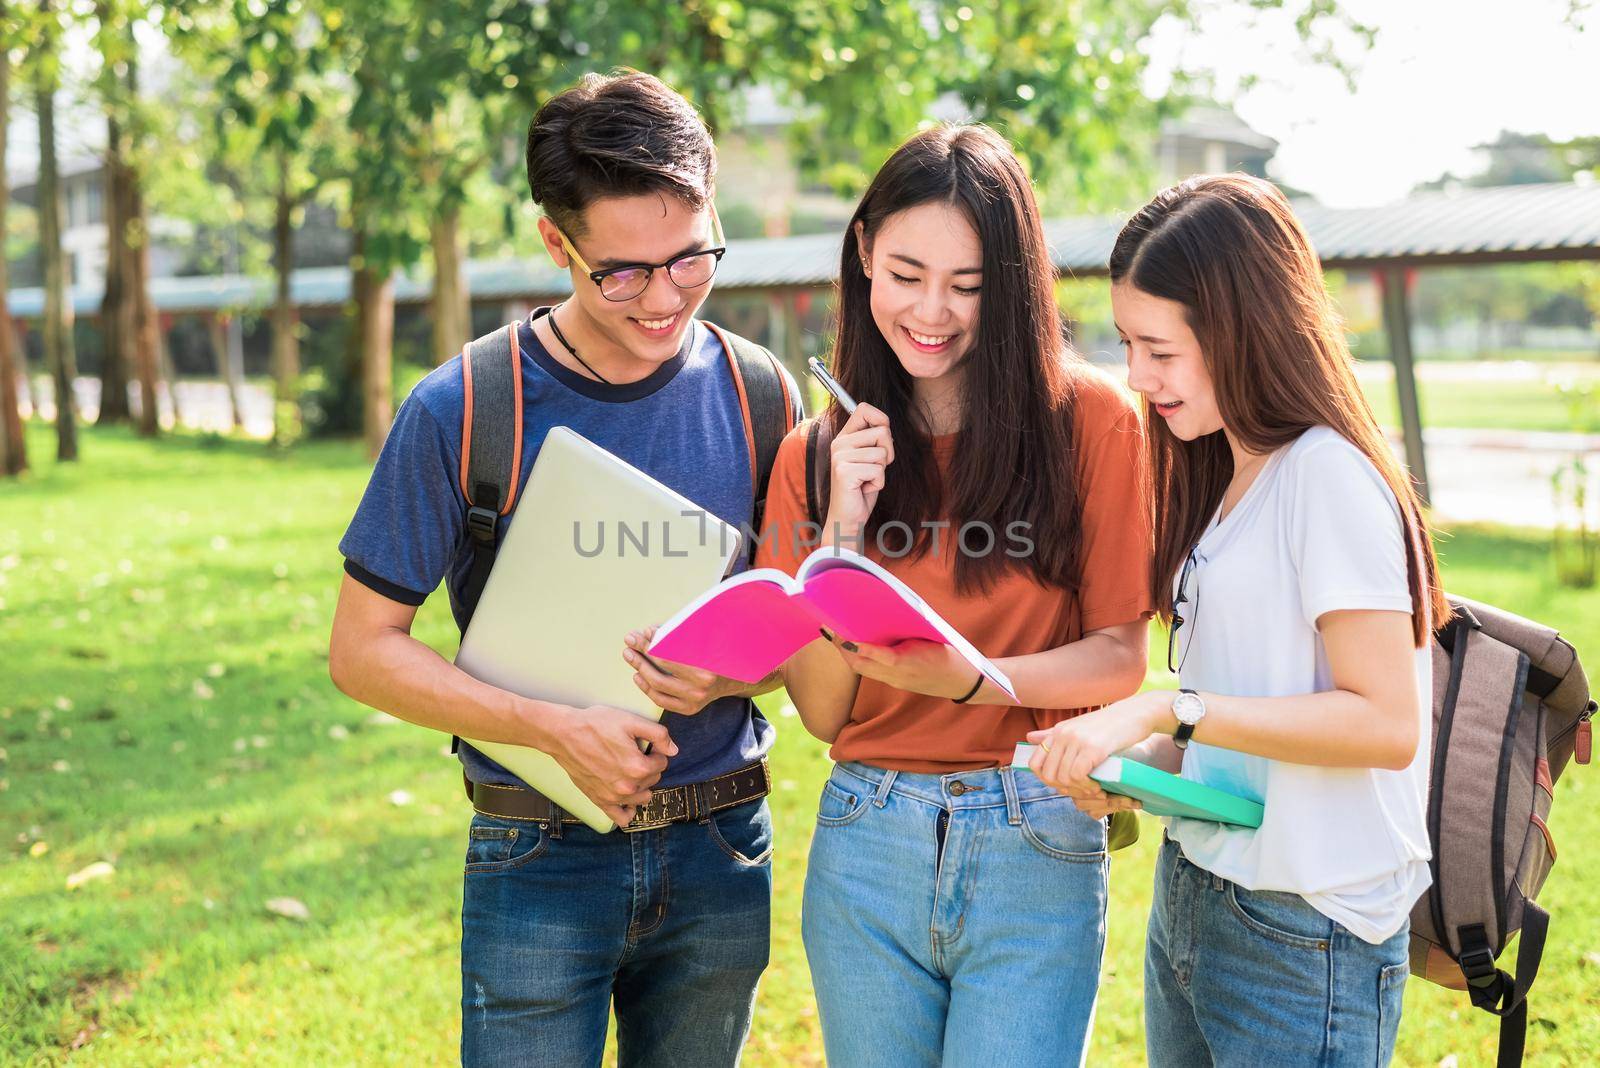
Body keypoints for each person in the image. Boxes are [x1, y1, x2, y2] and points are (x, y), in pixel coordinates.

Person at [327, 70, 800, 1067]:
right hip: (536, 853)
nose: (664, 296)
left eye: (691, 258)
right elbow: (362, 651)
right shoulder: (463, 407)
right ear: (557, 242)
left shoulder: (763, 395)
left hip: (722, 847)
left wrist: (729, 671)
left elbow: (798, 632)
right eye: (622, 272)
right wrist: (549, 728)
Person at [753, 124, 1154, 1066]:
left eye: (968, 286)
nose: (933, 310)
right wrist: (841, 533)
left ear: (1012, 286)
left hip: (1036, 827)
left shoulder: (1093, 422)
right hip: (866, 840)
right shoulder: (809, 458)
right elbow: (822, 711)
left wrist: (970, 681)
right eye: (905, 274)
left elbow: (1121, 656)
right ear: (862, 253)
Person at [1030, 173, 1447, 1066]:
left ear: (1241, 331)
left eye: (1159, 350)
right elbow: (1247, 718)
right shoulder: (1230, 476)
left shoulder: (1326, 476)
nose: (1136, 377)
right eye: (1127, 344)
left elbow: (1384, 723)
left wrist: (1164, 707)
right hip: (1202, 896)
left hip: (1305, 932)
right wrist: (1135, 768)